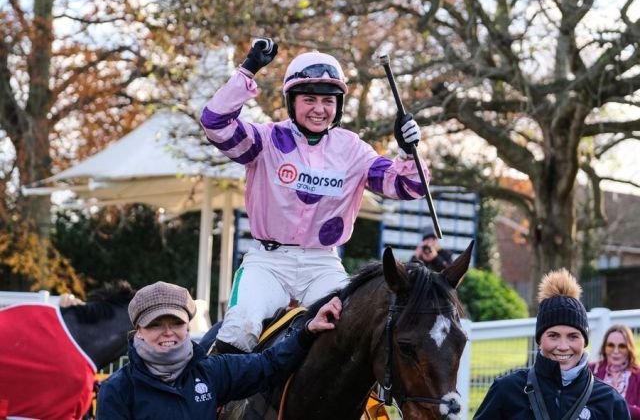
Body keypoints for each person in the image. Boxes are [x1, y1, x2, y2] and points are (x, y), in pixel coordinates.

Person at [199, 38, 428, 353]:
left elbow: (407, 187)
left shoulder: (353, 150)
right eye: (309, 99)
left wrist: (408, 151)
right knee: (241, 325)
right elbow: (214, 122)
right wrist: (248, 71)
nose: (320, 109)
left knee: (351, 334)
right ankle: (216, 400)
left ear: (339, 105)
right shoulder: (264, 140)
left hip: (323, 264)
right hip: (267, 263)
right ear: (291, 101)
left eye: (329, 101)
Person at [96, 281, 342, 419]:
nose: (168, 332)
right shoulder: (117, 389)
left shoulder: (211, 371)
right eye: (155, 325)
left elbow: (270, 365)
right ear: (139, 330)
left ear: (187, 325)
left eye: (177, 323)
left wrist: (308, 330)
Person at [474, 269, 630, 419]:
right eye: (553, 336)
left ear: (584, 341)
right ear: (539, 339)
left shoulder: (610, 402)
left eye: (573, 336)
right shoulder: (507, 390)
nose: (563, 346)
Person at [589, 324, 640, 419]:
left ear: (629, 348)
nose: (616, 351)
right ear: (604, 348)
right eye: (611, 345)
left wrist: (611, 404)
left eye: (622, 346)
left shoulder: (638, 376)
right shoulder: (590, 370)